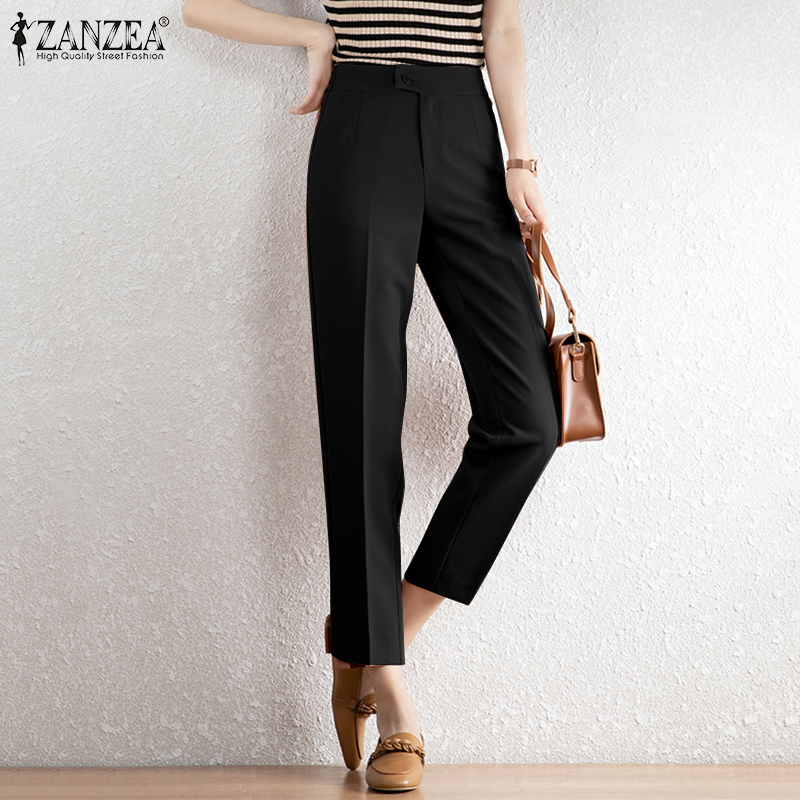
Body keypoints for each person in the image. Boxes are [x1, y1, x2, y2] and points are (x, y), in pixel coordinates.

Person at [182, 0, 559, 790]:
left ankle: (368, 636)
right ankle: (390, 696)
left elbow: (502, 26)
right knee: (364, 418)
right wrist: (313, 33)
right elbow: (196, 6)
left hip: (467, 130)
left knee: (529, 419)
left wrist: (521, 156)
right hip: (361, 128)